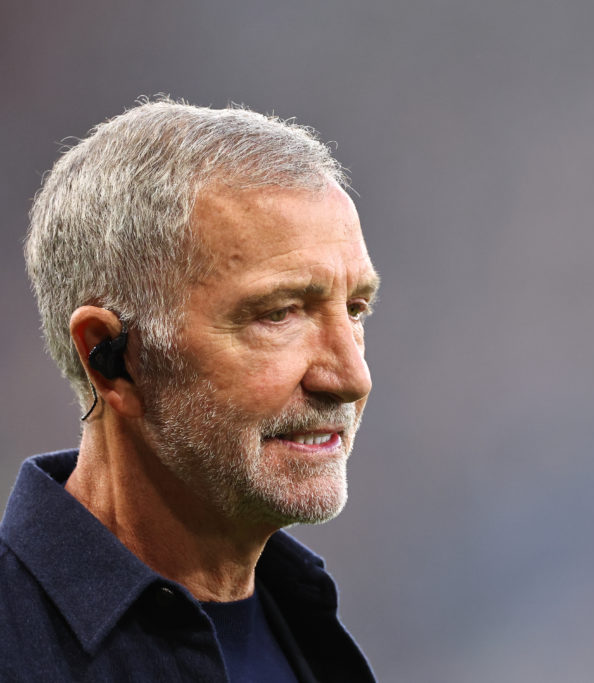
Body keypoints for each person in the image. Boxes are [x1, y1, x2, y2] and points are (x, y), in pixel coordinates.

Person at [0, 98, 379, 682]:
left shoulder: (309, 631)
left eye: (355, 309)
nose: (351, 377)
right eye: (279, 314)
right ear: (113, 360)